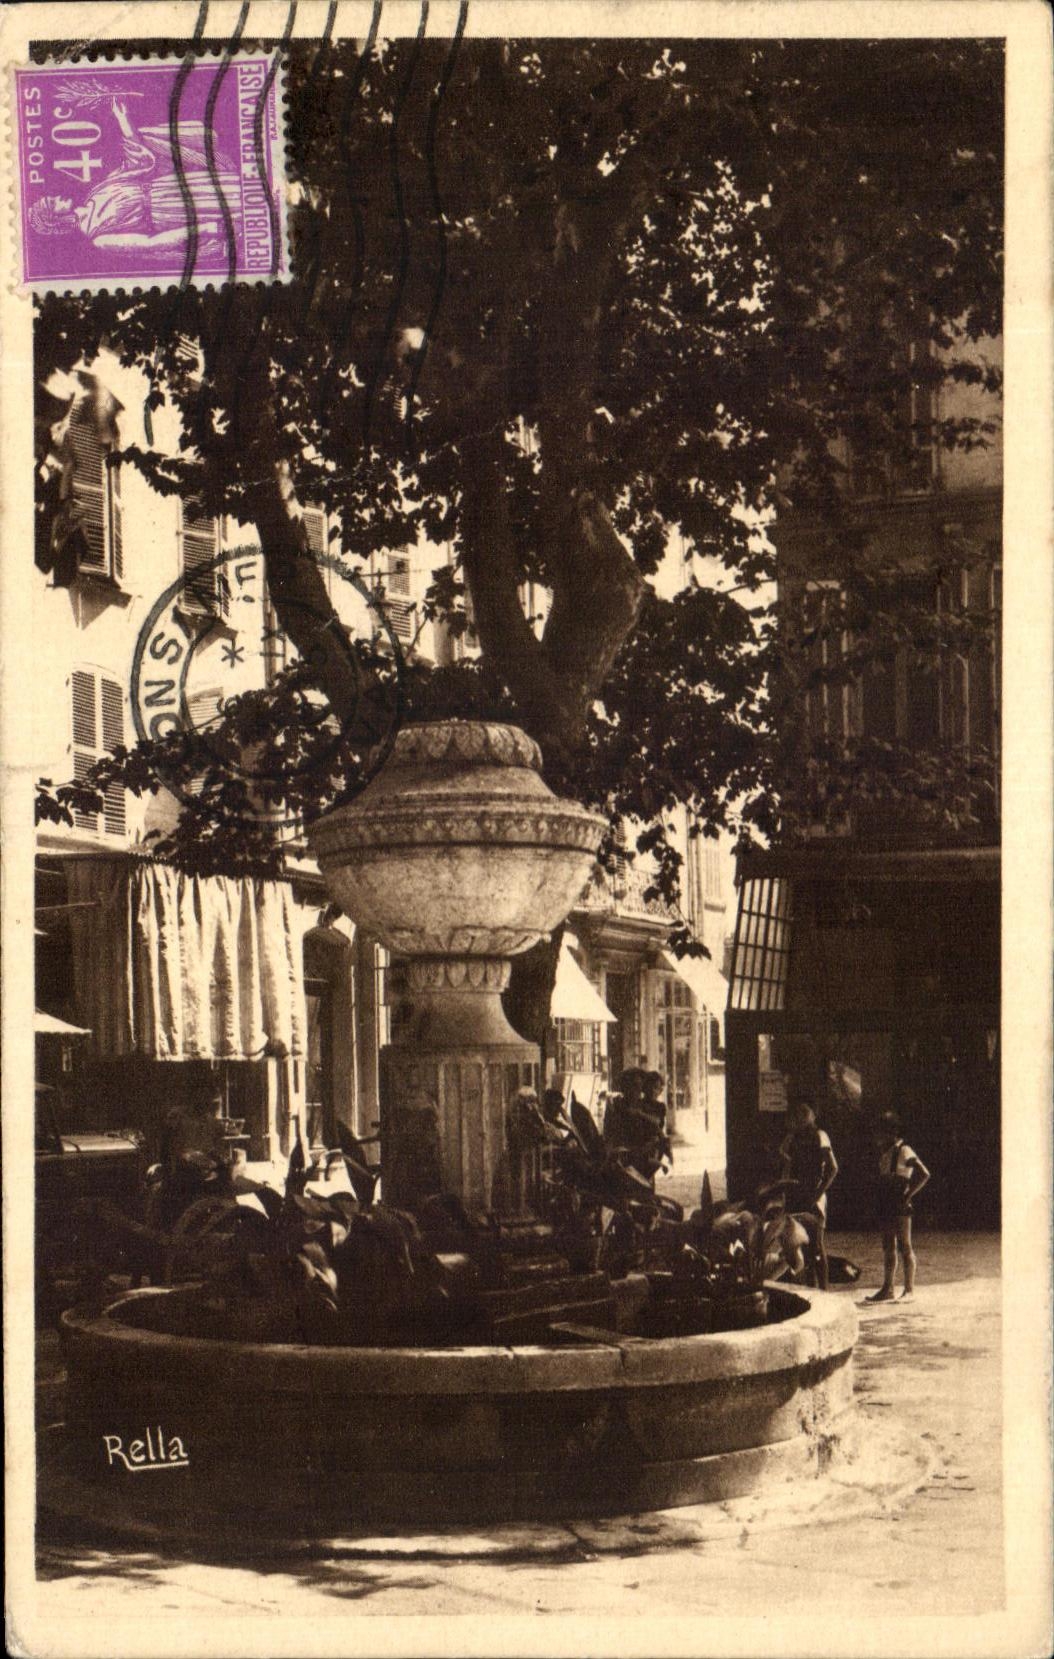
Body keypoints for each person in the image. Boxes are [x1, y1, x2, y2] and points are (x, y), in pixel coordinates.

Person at [28, 97, 237, 256]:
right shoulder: (99, 238)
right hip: (181, 213)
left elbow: (137, 161)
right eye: (51, 203)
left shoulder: (95, 194)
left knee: (242, 188)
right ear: (54, 218)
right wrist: (206, 228)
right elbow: (153, 242)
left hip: (182, 186)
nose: (55, 197)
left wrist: (122, 119)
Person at [865, 1111, 931, 1303]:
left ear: (891, 1132)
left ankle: (909, 1290)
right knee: (888, 1246)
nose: (876, 1137)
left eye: (880, 1132)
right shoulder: (885, 1154)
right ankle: (888, 1288)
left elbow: (924, 1173)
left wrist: (909, 1194)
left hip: (900, 1203)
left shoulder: (904, 1150)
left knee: (905, 1245)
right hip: (886, 1202)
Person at [779, 1097, 838, 1290]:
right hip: (795, 1196)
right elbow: (786, 1166)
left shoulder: (820, 1136)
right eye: (798, 1113)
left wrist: (818, 1193)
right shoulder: (792, 1138)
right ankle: (809, 1289)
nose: (801, 1117)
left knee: (816, 1247)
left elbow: (832, 1168)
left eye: (805, 1113)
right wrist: (784, 1191)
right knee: (797, 1244)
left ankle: (824, 1289)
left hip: (813, 1197)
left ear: (813, 1115)